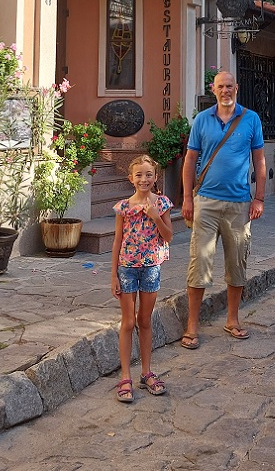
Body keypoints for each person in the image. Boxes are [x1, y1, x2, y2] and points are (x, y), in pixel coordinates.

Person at [180, 71, 266, 349]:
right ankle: (192, 326)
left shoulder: (251, 119)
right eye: (221, 87)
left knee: (237, 263)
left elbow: (259, 161)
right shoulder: (202, 120)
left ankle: (232, 319)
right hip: (206, 201)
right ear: (213, 89)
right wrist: (187, 198)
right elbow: (190, 159)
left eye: (229, 86)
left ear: (236, 88)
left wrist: (259, 198)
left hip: (239, 204)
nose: (225, 90)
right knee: (199, 263)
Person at [110, 154, 173, 402]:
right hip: (126, 268)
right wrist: (113, 275)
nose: (144, 179)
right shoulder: (123, 207)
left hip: (151, 268)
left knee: (145, 320)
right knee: (128, 322)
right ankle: (125, 376)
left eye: (148, 174)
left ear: (156, 177)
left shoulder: (162, 203)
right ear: (131, 178)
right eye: (139, 175)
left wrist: (155, 216)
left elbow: (168, 236)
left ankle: (146, 372)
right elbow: (117, 241)